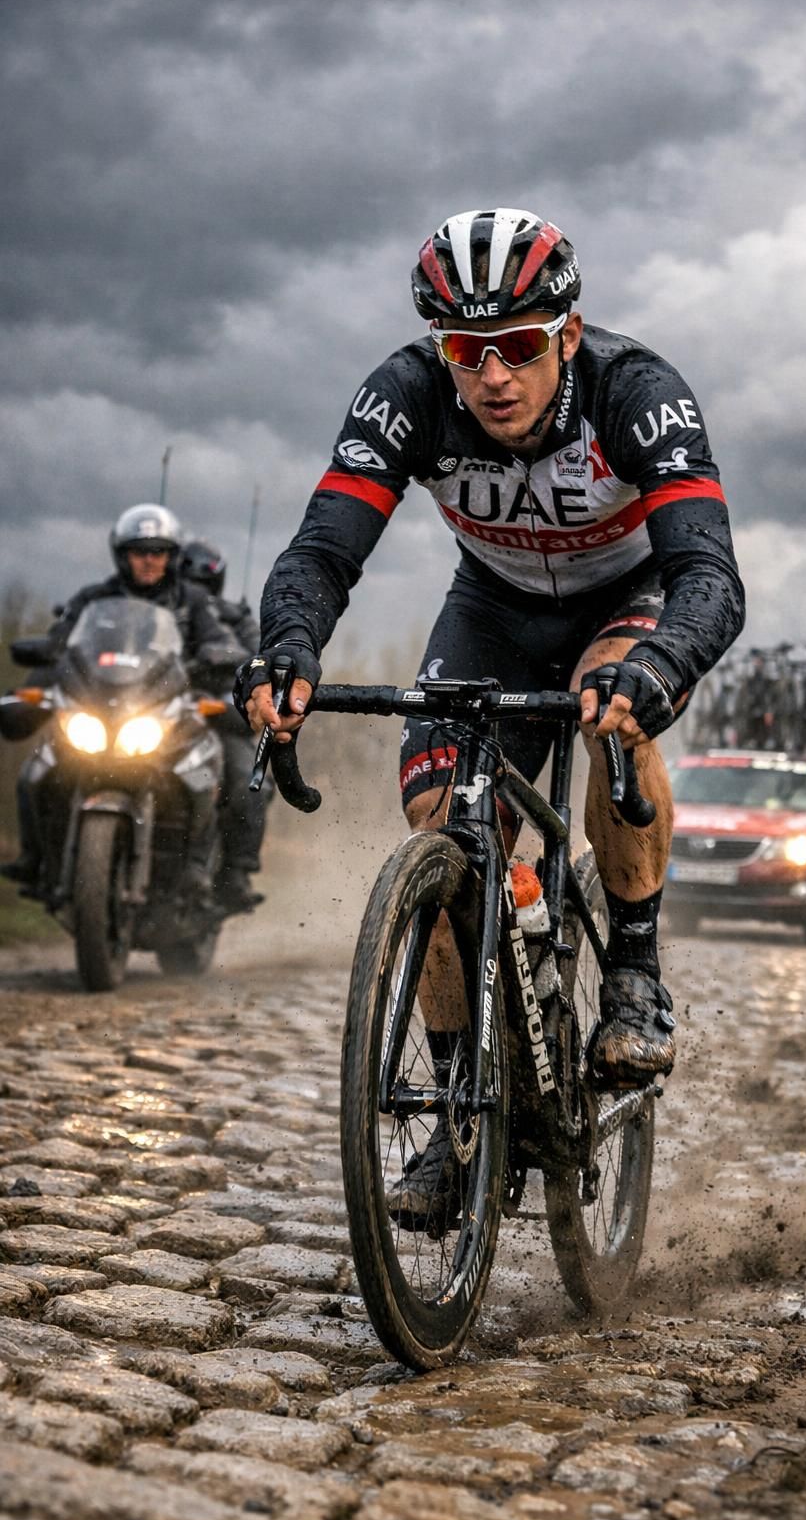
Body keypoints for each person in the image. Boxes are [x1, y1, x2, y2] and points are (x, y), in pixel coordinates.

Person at [237, 207, 744, 1222]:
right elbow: (323, 550)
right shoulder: (408, 395)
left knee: (614, 717)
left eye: (517, 348)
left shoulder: (635, 393)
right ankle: (454, 1116)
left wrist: (657, 665)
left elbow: (708, 575)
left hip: (625, 603)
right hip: (492, 612)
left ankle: (635, 968)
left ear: (565, 332)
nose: (493, 377)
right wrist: (289, 646)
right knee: (442, 842)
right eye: (468, 354)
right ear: (441, 351)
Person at [3, 505, 245, 898]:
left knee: (206, 777)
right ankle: (35, 860)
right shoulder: (94, 598)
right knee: (36, 770)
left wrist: (218, 655)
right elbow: (61, 642)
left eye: (158, 551)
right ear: (123, 555)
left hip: (167, 712)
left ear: (171, 556)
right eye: (139, 551)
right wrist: (44, 656)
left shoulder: (193, 601)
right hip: (99, 709)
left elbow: (222, 642)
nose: (149, 560)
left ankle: (197, 869)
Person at [180, 539, 268, 910]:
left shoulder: (236, 618)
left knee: (247, 781)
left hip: (220, 716)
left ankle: (235, 873)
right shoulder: (163, 612)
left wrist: (240, 666)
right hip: (161, 714)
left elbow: (256, 659)